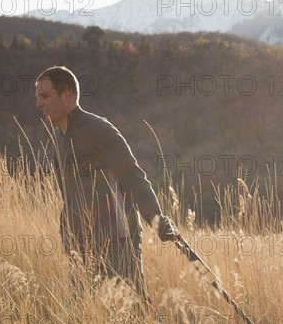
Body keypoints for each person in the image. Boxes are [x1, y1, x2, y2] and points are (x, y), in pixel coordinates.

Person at [35, 66, 179, 302]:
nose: (39, 103)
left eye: (45, 96)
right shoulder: (58, 139)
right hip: (80, 247)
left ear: (67, 95)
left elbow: (132, 176)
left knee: (135, 315)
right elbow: (68, 197)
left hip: (117, 242)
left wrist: (157, 220)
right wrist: (68, 240)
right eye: (37, 97)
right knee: (88, 320)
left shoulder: (99, 129)